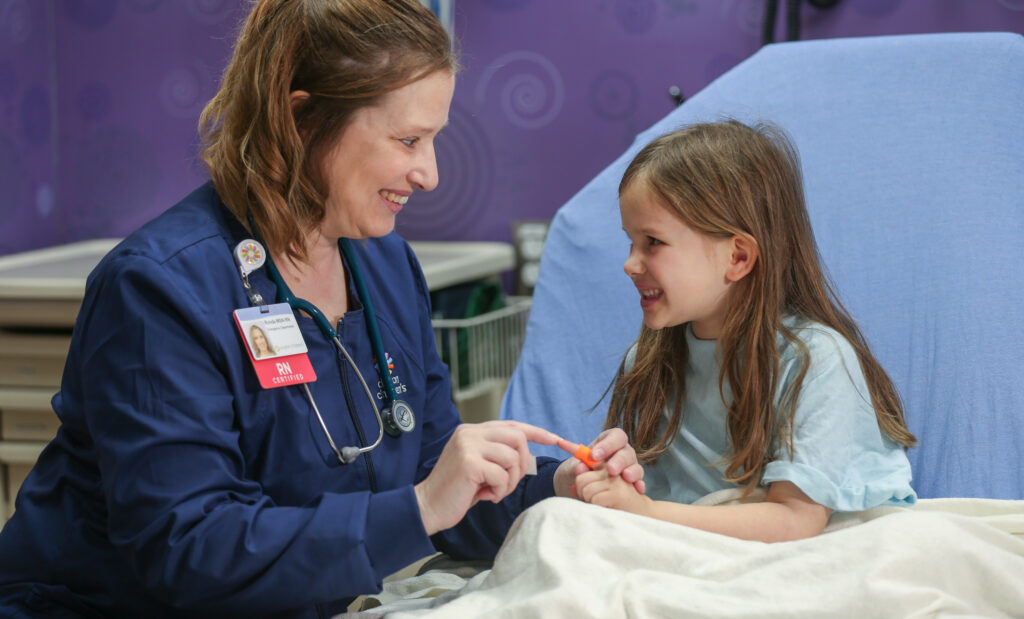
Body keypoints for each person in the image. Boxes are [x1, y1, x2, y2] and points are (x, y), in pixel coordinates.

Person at [0, 1, 642, 616]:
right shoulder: (160, 291)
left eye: (435, 140)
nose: (431, 174)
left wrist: (560, 487)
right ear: (301, 120)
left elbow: (438, 474)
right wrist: (418, 508)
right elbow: (186, 547)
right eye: (409, 140)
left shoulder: (385, 268)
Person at [574, 120, 917, 543]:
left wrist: (645, 512)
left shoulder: (815, 360)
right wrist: (615, 476)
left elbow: (797, 520)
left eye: (653, 242)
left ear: (737, 256)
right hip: (687, 545)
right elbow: (652, 500)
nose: (630, 263)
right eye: (630, 241)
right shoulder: (646, 365)